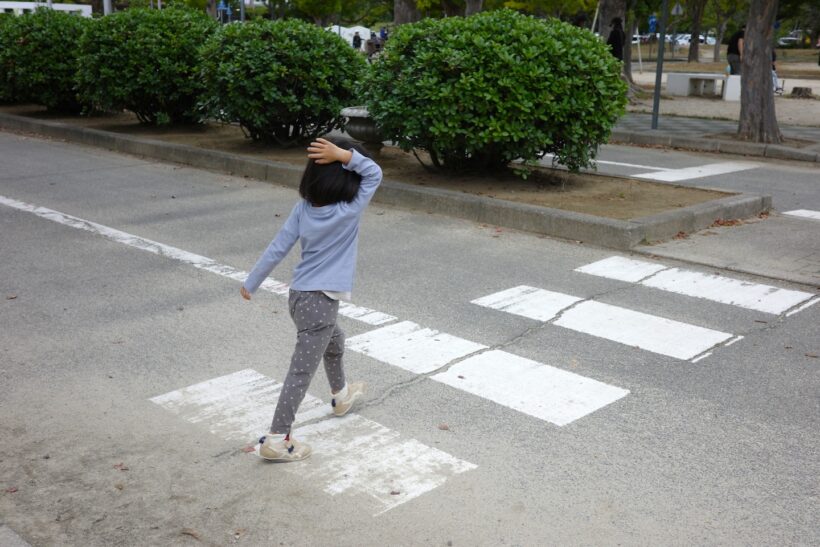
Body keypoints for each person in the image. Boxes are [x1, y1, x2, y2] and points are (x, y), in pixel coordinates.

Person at [241, 137, 383, 462]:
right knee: (300, 373)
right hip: (320, 303)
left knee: (335, 339)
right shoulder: (349, 211)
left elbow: (279, 246)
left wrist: (252, 282)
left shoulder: (303, 209)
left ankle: (341, 395)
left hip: (300, 298)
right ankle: (278, 437)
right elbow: (374, 173)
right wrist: (345, 155)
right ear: (346, 179)